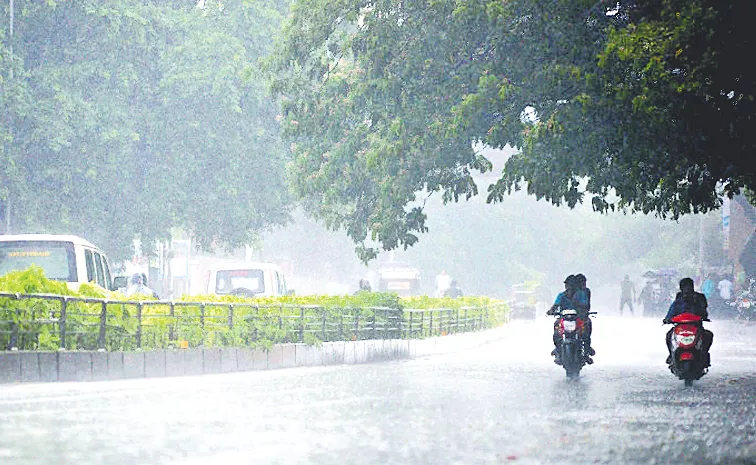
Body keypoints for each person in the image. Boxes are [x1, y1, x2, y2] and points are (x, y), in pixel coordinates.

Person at [663, 277, 713, 367]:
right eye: (684, 287)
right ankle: (671, 355)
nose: (687, 289)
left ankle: (704, 355)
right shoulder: (678, 300)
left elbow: (704, 310)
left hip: (696, 326)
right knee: (669, 335)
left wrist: (703, 316)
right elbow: (672, 311)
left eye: (688, 286)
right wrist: (667, 319)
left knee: (708, 335)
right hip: (680, 327)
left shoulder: (699, 298)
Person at [547, 275, 593, 365]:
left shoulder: (581, 294)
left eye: (571, 285)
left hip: (578, 318)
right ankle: (558, 350)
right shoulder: (561, 295)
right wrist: (551, 311)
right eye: (567, 285)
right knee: (556, 327)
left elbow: (586, 305)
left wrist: (580, 307)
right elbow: (555, 305)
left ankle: (586, 350)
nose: (569, 287)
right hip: (564, 319)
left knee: (586, 329)